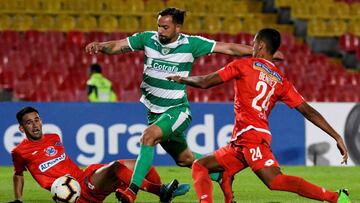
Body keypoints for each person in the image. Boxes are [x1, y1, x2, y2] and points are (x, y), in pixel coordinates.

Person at [85, 7, 285, 203]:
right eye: (159, 26)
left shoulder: (192, 44)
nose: (160, 31)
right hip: (154, 112)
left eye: (165, 27)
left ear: (178, 28)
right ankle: (221, 174)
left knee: (149, 136)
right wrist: (101, 46)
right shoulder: (147, 39)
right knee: (185, 159)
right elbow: (118, 46)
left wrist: (259, 54)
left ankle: (131, 191)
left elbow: (228, 48)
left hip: (177, 110)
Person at [167, 28, 351, 203]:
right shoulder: (280, 79)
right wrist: (336, 135)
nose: (251, 46)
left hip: (251, 137)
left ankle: (336, 197)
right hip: (242, 140)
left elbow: (206, 82)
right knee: (200, 166)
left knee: (275, 181)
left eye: (253, 43)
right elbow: (307, 110)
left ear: (261, 45)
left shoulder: (243, 65)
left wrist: (183, 79)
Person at [9, 106, 186, 203]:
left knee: (143, 165)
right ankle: (160, 191)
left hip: (86, 177)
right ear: (21, 128)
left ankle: (164, 197)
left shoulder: (54, 137)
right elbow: (18, 174)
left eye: (37, 119)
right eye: (28, 123)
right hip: (78, 193)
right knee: (117, 167)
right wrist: (18, 199)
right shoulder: (19, 152)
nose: (35, 125)